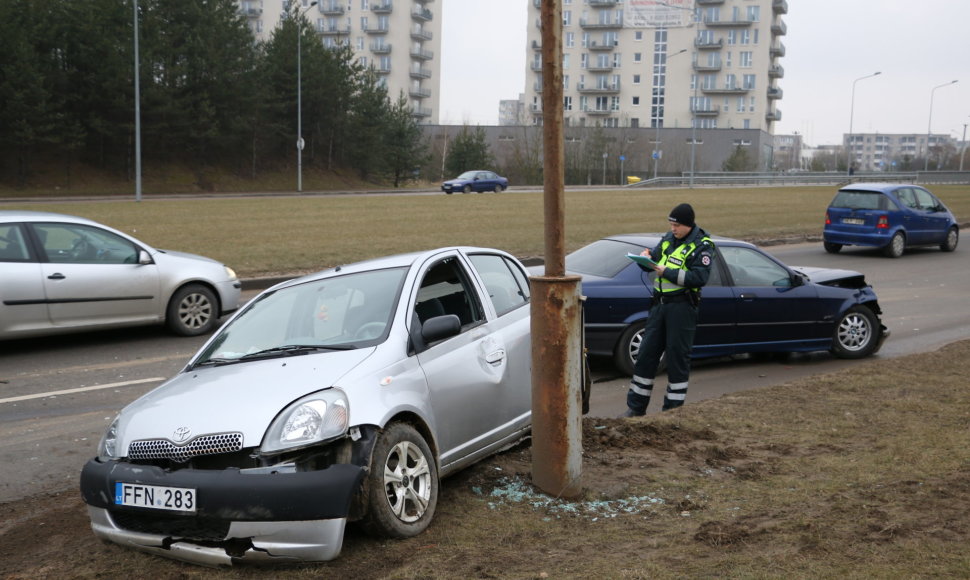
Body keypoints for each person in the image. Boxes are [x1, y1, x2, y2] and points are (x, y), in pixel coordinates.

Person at [620, 203, 715, 416]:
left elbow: (699, 278)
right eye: (671, 224)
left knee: (677, 358)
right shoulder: (668, 239)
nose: (673, 228)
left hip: (682, 308)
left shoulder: (702, 246)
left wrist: (667, 272)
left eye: (677, 225)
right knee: (646, 355)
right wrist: (644, 259)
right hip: (659, 306)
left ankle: (672, 413)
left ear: (688, 225)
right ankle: (635, 408)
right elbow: (654, 261)